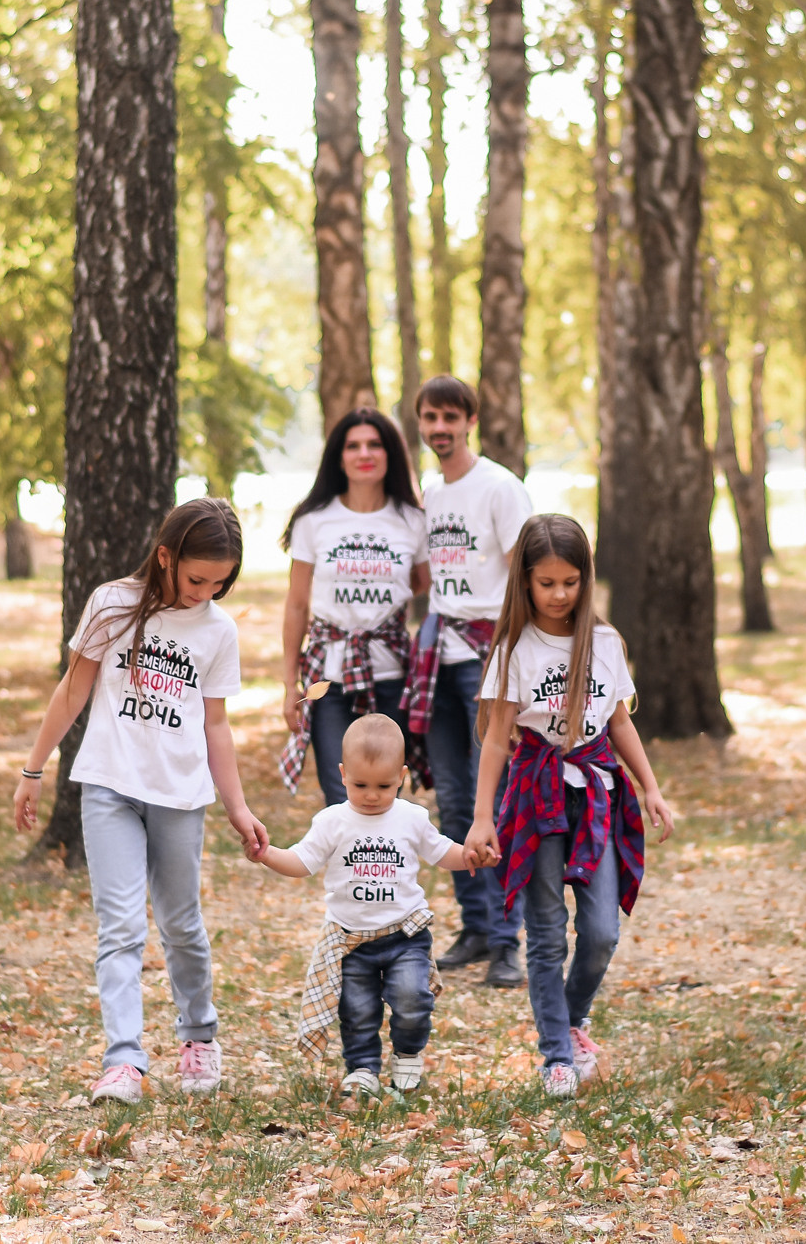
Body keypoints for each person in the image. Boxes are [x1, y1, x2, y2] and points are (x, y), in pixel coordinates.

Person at [12, 498, 269, 1105]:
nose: (205, 591)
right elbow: (73, 688)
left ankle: (199, 1036)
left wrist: (236, 807)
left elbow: (216, 728)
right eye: (195, 577)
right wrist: (33, 766)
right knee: (121, 927)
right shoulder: (112, 604)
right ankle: (123, 1061)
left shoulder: (217, 631)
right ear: (165, 557)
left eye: (220, 582)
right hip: (109, 786)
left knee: (182, 925)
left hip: (180, 795)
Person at [465, 514, 676, 1098]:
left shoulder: (605, 644)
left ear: (586, 578)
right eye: (546, 583)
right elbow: (496, 739)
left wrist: (651, 787)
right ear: (525, 582)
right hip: (537, 800)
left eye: (570, 582)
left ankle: (572, 1017)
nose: (559, 595)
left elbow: (619, 721)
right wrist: (483, 818)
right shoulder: (514, 648)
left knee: (602, 931)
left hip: (597, 796)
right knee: (548, 936)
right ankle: (555, 1052)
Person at [250, 714, 476, 1095]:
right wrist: (267, 854)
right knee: (356, 1010)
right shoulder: (332, 821)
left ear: (402, 776)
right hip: (350, 939)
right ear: (342, 774)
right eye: (360, 785)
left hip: (405, 935)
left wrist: (470, 855)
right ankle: (362, 1069)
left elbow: (442, 853)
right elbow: (302, 861)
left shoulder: (411, 818)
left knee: (411, 998)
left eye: (384, 785)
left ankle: (407, 1053)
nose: (372, 795)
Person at [403, 375, 533, 987]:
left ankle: (509, 939)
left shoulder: (501, 488)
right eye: (430, 417)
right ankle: (476, 926)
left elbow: (530, 572)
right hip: (439, 654)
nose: (440, 428)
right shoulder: (431, 491)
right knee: (453, 801)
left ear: (470, 421)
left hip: (490, 656)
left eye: (451, 417)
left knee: (496, 802)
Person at [279, 408, 430, 806]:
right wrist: (287, 685)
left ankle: (387, 870)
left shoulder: (412, 520)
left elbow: (423, 584)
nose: (364, 453)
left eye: (375, 444)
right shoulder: (314, 521)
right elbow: (296, 605)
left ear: (390, 453)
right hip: (329, 682)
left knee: (386, 794)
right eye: (353, 445)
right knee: (339, 793)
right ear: (339, 456)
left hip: (393, 677)